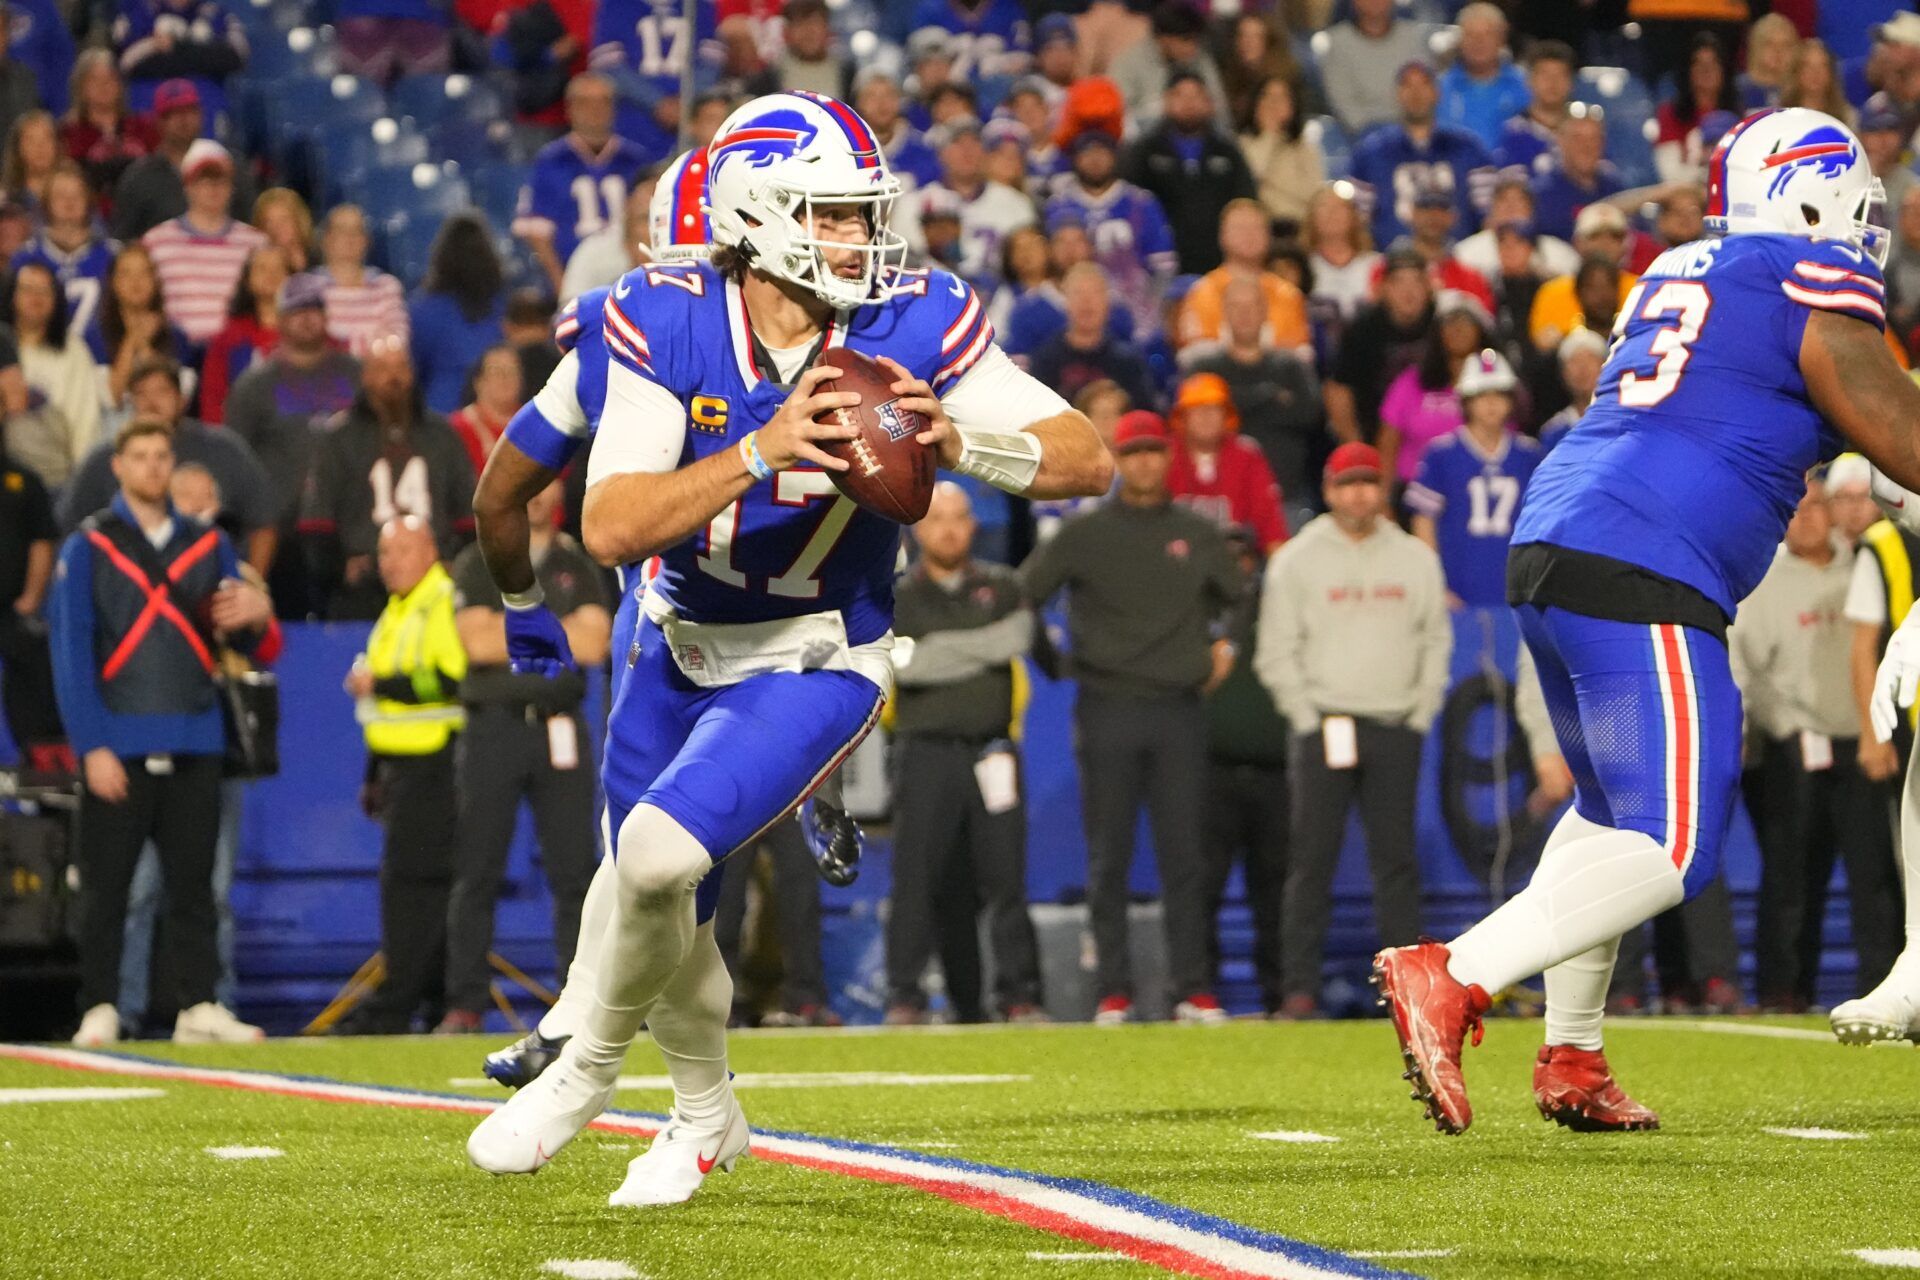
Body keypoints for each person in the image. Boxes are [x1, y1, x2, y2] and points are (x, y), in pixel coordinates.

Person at [464, 90, 1110, 1204]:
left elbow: (1086, 453)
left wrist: (968, 441)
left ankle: (587, 1067)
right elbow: (610, 524)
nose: (863, 238)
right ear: (757, 215)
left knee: (656, 858)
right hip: (674, 637)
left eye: (865, 214)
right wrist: (758, 451)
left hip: (819, 647)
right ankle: (709, 1116)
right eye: (835, 214)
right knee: (668, 903)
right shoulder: (663, 313)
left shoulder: (915, 320)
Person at [1372, 107, 1920, 1130]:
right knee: (1673, 845)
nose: (1864, 228)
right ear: (1807, 199)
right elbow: (1898, 429)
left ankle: (1572, 1054)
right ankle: (1452, 970)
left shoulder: (1682, 269)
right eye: (1853, 205)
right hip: (1646, 554)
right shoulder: (1808, 280)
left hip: (1558, 535)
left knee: (1613, 813)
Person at [54, 419, 273, 1048]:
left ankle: (199, 1003)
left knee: (196, 885)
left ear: (172, 466)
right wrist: (91, 745)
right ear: (117, 467)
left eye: (161, 456)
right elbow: (71, 653)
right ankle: (98, 1003)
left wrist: (255, 613)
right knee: (108, 887)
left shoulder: (208, 545)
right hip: (116, 742)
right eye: (140, 456)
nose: (152, 467)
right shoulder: (88, 545)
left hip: (196, 734)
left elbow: (240, 634)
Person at [1021, 410, 1238, 1026]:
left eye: (1153, 451)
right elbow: (1024, 595)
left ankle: (1192, 988)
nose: (1144, 461)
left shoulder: (1196, 533)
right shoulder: (1085, 534)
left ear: (1167, 458)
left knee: (1185, 855)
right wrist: (1055, 663)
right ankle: (1112, 990)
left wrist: (1227, 649)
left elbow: (1242, 598)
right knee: (1107, 856)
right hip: (1108, 704)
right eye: (1133, 451)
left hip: (1178, 708)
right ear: (1118, 459)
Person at [1255, 441, 1449, 1018]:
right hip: (1325, 725)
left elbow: (1436, 640)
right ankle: (1299, 990)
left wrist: (1418, 714)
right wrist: (1307, 719)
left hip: (1394, 724)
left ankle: (1406, 994)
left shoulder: (1415, 557)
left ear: (1382, 489)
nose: (1358, 493)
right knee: (1311, 862)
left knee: (1396, 863)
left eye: (1368, 482)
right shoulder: (1297, 557)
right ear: (1328, 488)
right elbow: (1275, 650)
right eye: (1346, 483)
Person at [440, 479, 609, 1034]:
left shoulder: (576, 563)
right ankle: (464, 1004)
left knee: (574, 872)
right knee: (477, 869)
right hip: (495, 728)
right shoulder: (477, 560)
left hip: (559, 728)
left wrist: (510, 628)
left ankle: (578, 1001)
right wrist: (558, 631)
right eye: (525, 484)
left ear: (558, 491)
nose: (533, 494)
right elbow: (475, 642)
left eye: (544, 484)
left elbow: (596, 643)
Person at [1732, 478, 1899, 1012]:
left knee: (1875, 875)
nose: (1806, 518)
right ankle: (1784, 991)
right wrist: (1779, 723)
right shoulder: (1761, 581)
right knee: (1790, 877)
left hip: (1862, 741)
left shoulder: (1862, 567)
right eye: (1796, 509)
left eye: (1816, 506)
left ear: (1833, 512)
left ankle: (1884, 986)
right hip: (1792, 746)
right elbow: (1746, 671)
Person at [886, 482, 1044, 1024]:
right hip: (924, 751)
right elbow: (897, 665)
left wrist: (934, 651)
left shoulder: (1002, 585)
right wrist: (977, 646)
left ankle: (1019, 996)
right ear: (916, 528)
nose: (949, 528)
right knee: (916, 879)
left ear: (974, 524)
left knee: (1006, 879)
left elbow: (1018, 638)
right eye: (937, 519)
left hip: (992, 750)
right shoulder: (896, 595)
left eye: (959, 517)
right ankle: (905, 997)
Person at [339, 516, 465, 1032]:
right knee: (418, 886)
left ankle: (397, 1001)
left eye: (402, 551)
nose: (390, 563)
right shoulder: (398, 608)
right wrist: (373, 774)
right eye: (384, 553)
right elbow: (379, 709)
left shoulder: (442, 601)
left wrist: (383, 683)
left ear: (430, 550)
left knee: (412, 887)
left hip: (437, 764)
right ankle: (431, 997)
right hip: (400, 768)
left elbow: (452, 681)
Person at [301, 336, 475, 620]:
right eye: (382, 368)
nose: (393, 377)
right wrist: (338, 569)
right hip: (362, 586)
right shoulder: (338, 438)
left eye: (401, 368)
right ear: (366, 376)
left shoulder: (443, 436)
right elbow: (315, 524)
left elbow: (468, 517)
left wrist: (455, 564)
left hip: (436, 581)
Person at [59, 356, 275, 567]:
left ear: (182, 399)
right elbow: (68, 529)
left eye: (162, 391)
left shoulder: (224, 449)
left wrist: (252, 583)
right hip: (125, 587)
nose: (151, 402)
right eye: (141, 393)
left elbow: (263, 521)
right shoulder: (103, 459)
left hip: (215, 583)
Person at [1200, 525, 1287, 1015]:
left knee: (1275, 890)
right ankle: (1200, 990)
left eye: (1244, 557)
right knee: (1202, 887)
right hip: (1210, 769)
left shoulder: (1279, 609)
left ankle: (1281, 992)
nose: (1236, 566)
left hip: (1275, 768)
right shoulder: (1193, 611)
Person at [1406, 349, 1542, 610]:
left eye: (1499, 395)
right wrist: (1436, 584)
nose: (1491, 404)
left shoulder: (1529, 454)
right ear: (1466, 401)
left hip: (1517, 588)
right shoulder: (1440, 454)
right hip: (1458, 587)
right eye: (1481, 395)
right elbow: (1423, 522)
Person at [1185, 276, 1324, 531]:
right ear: (1224, 312)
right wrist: (1270, 395)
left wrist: (1230, 404)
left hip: (1286, 498)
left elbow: (1309, 415)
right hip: (1216, 503)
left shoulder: (1291, 366)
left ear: (1265, 310)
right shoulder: (1203, 367)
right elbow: (1189, 423)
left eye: (1252, 306)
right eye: (1236, 306)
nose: (1245, 314)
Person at [514, 74, 653, 295]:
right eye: (585, 102)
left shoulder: (637, 160)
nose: (595, 110)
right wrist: (565, 290)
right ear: (570, 108)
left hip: (629, 278)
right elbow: (537, 234)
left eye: (603, 101)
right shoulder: (551, 161)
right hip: (572, 276)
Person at [1041, 130, 1175, 342]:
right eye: (1087, 153)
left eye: (1102, 153)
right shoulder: (1058, 205)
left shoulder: (1141, 202)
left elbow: (1163, 268)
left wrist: (1151, 314)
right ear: (1076, 159)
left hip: (1137, 313)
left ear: (1115, 156)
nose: (1095, 160)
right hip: (1071, 312)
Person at [1348, 61, 1495, 250]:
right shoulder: (1370, 153)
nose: (1416, 93)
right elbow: (1359, 222)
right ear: (1397, 94)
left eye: (1423, 84)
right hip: (1392, 266)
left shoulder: (1469, 149)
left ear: (1437, 92)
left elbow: (1489, 217)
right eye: (1407, 85)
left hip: (1458, 263)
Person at [1123, 72, 1256, 275]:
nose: (1189, 103)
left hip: (1218, 264)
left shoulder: (1227, 152)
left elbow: (1245, 201)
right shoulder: (1145, 151)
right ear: (1166, 101)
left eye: (1196, 96)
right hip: (1159, 266)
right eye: (1180, 96)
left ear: (1209, 103)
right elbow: (1129, 201)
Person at [139, 140, 267, 347]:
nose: (213, 188)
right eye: (204, 180)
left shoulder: (256, 243)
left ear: (231, 187)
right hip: (178, 352)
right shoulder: (156, 241)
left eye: (220, 180)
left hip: (236, 351)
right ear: (188, 187)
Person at [111, 80, 255, 242]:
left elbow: (250, 222)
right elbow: (125, 239)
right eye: (172, 113)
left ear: (201, 114)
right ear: (158, 121)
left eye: (190, 110)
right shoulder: (139, 177)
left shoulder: (229, 165)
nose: (183, 119)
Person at [1377, 290, 1495, 484]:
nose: (1458, 329)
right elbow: (1388, 442)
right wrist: (1384, 497)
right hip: (1414, 489)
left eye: (1466, 322)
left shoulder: (1497, 380)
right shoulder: (1412, 381)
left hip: (1479, 490)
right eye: (1450, 322)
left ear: (1480, 330)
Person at [1165, 372, 1287, 553]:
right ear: (1182, 417)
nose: (1205, 417)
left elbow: (1271, 525)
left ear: (1226, 415)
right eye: (1196, 409)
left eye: (1213, 409)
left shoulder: (1247, 455)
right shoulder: (1164, 454)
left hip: (1234, 564)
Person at [1325, 246, 1434, 446]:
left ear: (1429, 287)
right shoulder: (1362, 329)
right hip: (1374, 435)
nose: (1408, 292)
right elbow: (1338, 389)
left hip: (1434, 435)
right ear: (1383, 288)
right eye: (1398, 282)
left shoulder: (1443, 324)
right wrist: (1354, 443)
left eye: (1416, 282)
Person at [8, 260, 103, 486]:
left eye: (45, 291)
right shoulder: (3, 345)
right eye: (27, 289)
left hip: (54, 477)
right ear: (11, 296)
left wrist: (82, 482)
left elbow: (85, 423)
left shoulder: (73, 350)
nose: (36, 298)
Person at [1178, 199, 1309, 354]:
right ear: (1222, 236)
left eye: (1256, 228)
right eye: (1240, 228)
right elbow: (1195, 355)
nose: (1249, 235)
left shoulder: (1288, 295)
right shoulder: (1202, 293)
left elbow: (1298, 355)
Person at [408, 214, 507, 414]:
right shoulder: (504, 306)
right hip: (491, 416)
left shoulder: (423, 309)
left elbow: (415, 371)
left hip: (442, 414)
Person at [0, 437, 59, 764]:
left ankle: (34, 771)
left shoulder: (24, 481)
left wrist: (31, 599)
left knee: (29, 694)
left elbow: (41, 540)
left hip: (13, 615)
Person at [1028, 262, 1156, 409]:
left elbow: (1143, 415)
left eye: (1095, 293)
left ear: (1107, 302)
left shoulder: (1128, 362)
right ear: (1065, 302)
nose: (1086, 301)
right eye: (1078, 293)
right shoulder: (1046, 360)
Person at [13, 164, 119, 339]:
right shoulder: (25, 258)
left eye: (76, 195)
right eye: (61, 196)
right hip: (42, 361)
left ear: (88, 200)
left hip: (104, 362)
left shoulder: (114, 255)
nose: (69, 202)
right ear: (46, 202)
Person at [198, 246, 288, 425]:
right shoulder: (228, 336)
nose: (271, 275)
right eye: (262, 268)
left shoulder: (308, 334)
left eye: (279, 269)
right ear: (247, 279)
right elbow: (212, 396)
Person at [62, 50, 159, 210]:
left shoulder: (144, 127)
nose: (103, 86)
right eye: (94, 80)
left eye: (110, 78)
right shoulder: (68, 133)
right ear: (80, 87)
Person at [1109, 0, 1228, 131]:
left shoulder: (1200, 59)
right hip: (1143, 140)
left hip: (1196, 137)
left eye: (1196, 41)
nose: (1192, 48)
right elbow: (1116, 112)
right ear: (1164, 39)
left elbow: (1220, 109)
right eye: (1186, 40)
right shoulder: (1129, 63)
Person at [1319, 0, 1432, 136]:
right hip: (1362, 136)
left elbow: (1427, 90)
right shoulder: (1338, 43)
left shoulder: (1413, 37)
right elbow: (1344, 103)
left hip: (1414, 130)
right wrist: (1375, 135)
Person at [315, 205, 408, 352]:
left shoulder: (386, 286)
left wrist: (343, 346)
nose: (350, 238)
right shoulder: (309, 287)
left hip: (374, 372)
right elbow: (309, 341)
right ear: (326, 238)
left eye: (357, 231)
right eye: (342, 230)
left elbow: (397, 339)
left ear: (366, 240)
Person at [1237, 74, 1323, 231]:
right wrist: (1269, 135)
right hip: (1262, 228)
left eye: (1281, 98)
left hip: (1301, 226)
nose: (1273, 104)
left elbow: (1314, 195)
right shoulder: (1242, 144)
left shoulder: (1303, 147)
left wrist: (1269, 185)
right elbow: (1249, 180)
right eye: (1267, 97)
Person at [1437, 3, 1529, 149]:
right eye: (1470, 35)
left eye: (1487, 34)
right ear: (1459, 41)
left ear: (1501, 39)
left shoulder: (1525, 86)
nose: (1478, 42)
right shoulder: (1439, 89)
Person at [1496, 40, 1577, 173]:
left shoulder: (1585, 134)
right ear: (1529, 81)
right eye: (1545, 75)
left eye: (1560, 75)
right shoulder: (1511, 134)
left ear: (1571, 82)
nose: (1553, 83)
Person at [449, 345, 525, 477]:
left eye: (512, 372)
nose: (506, 378)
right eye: (498, 372)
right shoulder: (457, 429)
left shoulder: (535, 424)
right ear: (478, 382)